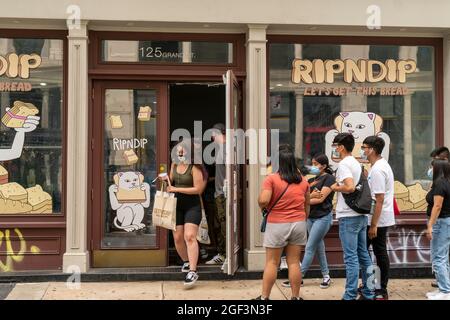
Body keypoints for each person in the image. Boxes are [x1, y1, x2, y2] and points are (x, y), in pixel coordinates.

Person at [254, 144, 310, 300]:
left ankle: (264, 297)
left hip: (277, 223)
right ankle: (296, 297)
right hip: (299, 223)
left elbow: (264, 200)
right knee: (294, 262)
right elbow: (307, 206)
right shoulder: (304, 181)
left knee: (272, 262)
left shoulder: (271, 179)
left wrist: (260, 203)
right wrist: (301, 219)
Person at [330, 133, 374, 300]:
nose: (334, 149)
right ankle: (369, 292)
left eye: (335, 146)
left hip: (349, 216)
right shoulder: (356, 163)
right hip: (361, 215)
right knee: (364, 255)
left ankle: (349, 295)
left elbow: (349, 187)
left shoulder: (344, 165)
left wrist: (335, 187)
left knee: (351, 257)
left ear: (341, 147)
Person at [282, 154, 335, 289]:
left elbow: (320, 199)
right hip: (311, 217)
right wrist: (305, 199)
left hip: (323, 217)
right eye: (312, 163)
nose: (313, 166)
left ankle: (299, 277)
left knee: (310, 246)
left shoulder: (330, 178)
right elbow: (301, 195)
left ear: (324, 166)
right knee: (318, 247)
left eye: (316, 164)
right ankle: (326, 275)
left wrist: (303, 200)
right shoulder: (313, 179)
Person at [163, 139, 204, 286]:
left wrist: (176, 189)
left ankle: (193, 271)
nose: (180, 153)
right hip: (176, 205)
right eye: (178, 150)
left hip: (192, 206)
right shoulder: (174, 164)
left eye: (182, 150)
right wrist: (166, 181)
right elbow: (171, 183)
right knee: (178, 238)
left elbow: (198, 189)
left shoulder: (194, 167)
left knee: (190, 236)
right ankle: (187, 261)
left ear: (188, 152)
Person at [361, 136, 395, 300]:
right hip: (377, 217)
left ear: (372, 149)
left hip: (377, 219)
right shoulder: (378, 167)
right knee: (371, 251)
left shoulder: (378, 169)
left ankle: (378, 288)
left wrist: (373, 224)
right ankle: (373, 286)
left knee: (374, 252)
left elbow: (379, 199)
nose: (363, 150)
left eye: (365, 147)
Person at [425, 160, 450, 300]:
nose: (429, 169)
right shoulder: (445, 181)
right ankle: (444, 288)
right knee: (443, 257)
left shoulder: (440, 183)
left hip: (441, 223)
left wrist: (430, 225)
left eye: (431, 166)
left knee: (438, 258)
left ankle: (445, 291)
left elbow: (437, 206)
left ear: (436, 168)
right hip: (445, 223)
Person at [206, 123, 227, 267]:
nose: (212, 137)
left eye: (213, 133)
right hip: (218, 193)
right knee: (218, 224)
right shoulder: (220, 150)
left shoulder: (227, 150)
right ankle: (222, 254)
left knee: (224, 224)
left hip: (224, 194)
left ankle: (226, 255)